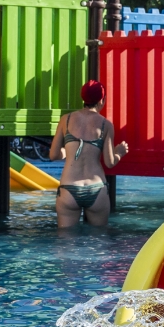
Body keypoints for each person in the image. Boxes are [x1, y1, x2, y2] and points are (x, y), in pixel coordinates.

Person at [52, 79, 129, 228]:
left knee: (65, 243)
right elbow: (109, 162)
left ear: (83, 98)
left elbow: (53, 155)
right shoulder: (105, 124)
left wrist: (67, 151)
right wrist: (119, 152)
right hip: (96, 189)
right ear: (102, 100)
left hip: (69, 188)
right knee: (99, 242)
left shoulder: (65, 120)